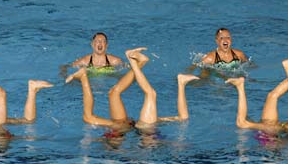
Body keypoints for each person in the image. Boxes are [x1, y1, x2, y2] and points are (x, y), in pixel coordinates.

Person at [65, 47, 199, 130]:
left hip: (128, 127)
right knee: (147, 94)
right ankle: (136, 62)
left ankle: (138, 62)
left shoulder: (116, 138)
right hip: (140, 129)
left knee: (115, 93)